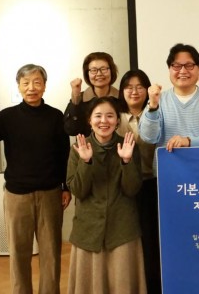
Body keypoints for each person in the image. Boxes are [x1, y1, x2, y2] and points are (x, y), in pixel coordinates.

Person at [0, 64, 70, 294]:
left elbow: (63, 155)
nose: (31, 88)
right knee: (18, 253)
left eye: (37, 82)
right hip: (17, 196)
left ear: (44, 86)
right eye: (26, 83)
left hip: (50, 194)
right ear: (18, 86)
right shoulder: (8, 116)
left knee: (51, 253)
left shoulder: (55, 116)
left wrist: (65, 187)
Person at [67, 97, 145, 293]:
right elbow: (78, 191)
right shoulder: (78, 148)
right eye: (98, 116)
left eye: (110, 116)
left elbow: (132, 189)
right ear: (89, 120)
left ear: (117, 120)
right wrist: (86, 162)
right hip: (88, 229)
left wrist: (126, 161)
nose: (104, 121)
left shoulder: (128, 145)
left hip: (122, 229)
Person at [139, 43, 199, 171]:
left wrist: (189, 141)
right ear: (169, 69)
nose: (182, 71)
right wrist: (153, 106)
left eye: (189, 65)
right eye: (176, 66)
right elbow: (149, 137)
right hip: (168, 173)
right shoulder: (159, 99)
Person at [116, 69, 161, 294]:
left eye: (140, 87)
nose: (134, 92)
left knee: (151, 239)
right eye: (129, 87)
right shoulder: (114, 116)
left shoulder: (157, 113)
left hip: (153, 183)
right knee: (127, 239)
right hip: (123, 186)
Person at [64, 51, 119, 136]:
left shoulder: (122, 97)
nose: (99, 74)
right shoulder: (80, 98)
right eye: (94, 70)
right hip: (86, 144)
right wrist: (75, 98)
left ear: (111, 71)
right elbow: (71, 130)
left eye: (103, 69)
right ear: (87, 74)